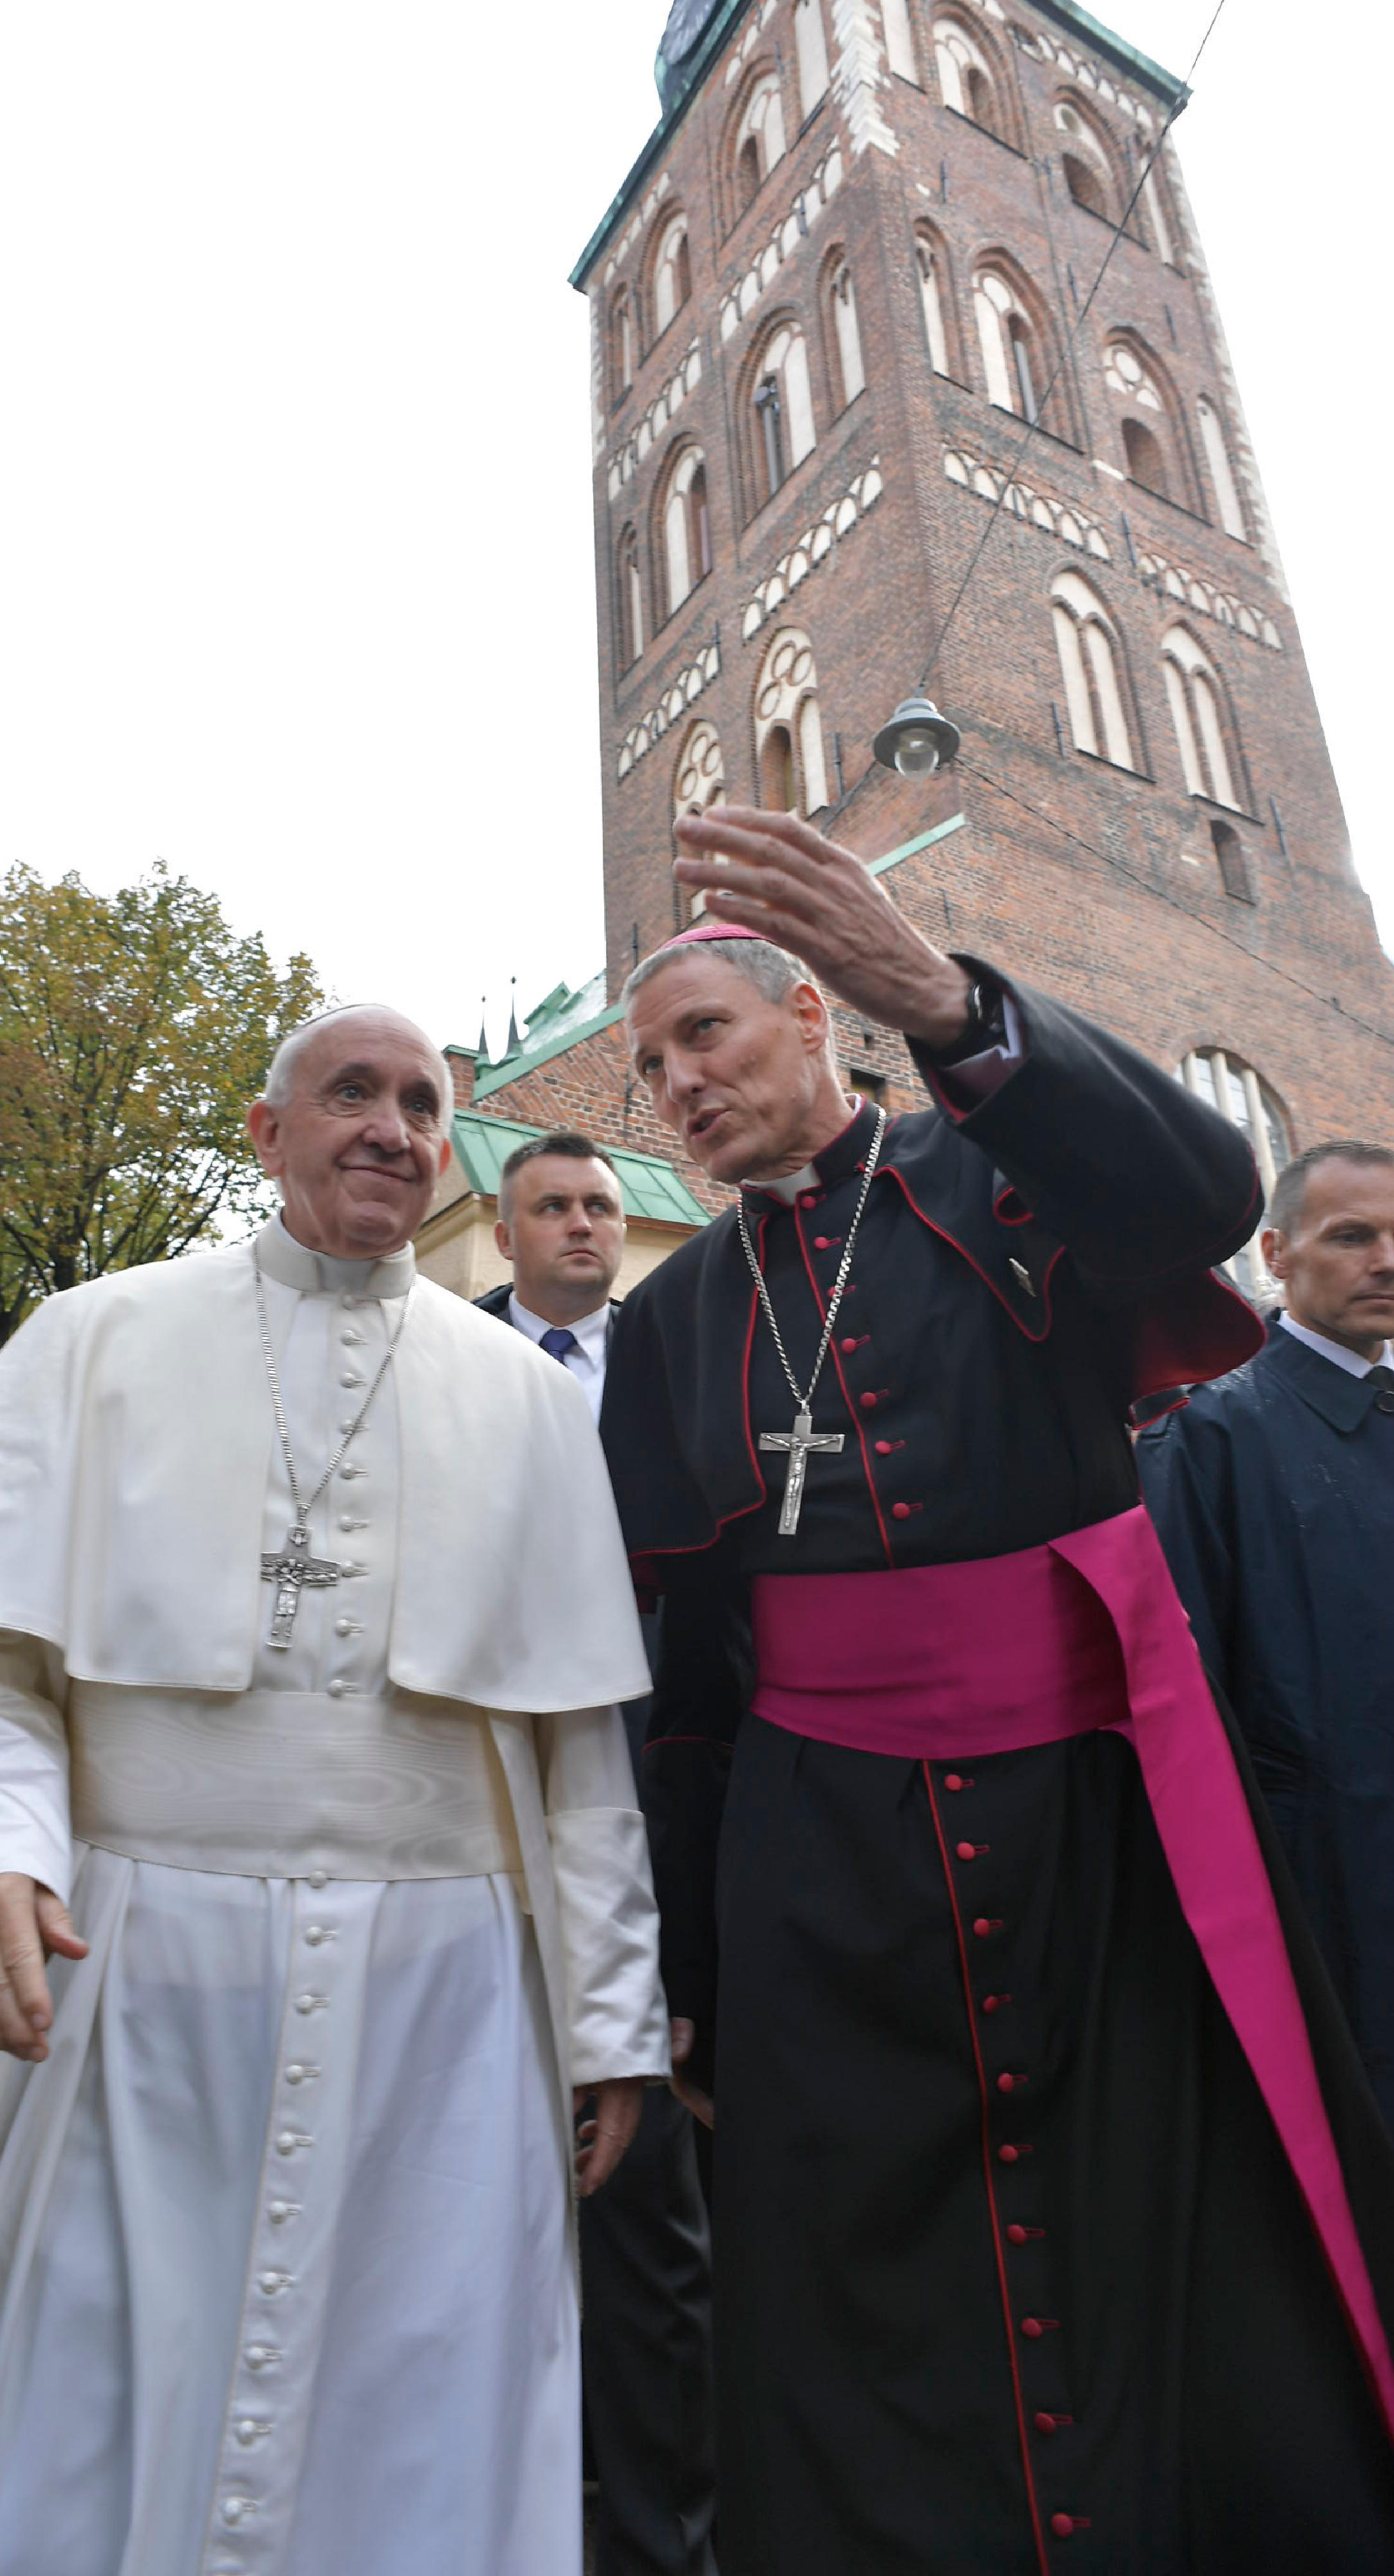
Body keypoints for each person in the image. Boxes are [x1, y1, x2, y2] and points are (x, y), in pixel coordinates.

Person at [0, 1006, 668, 2576]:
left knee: (408, 2402)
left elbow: (579, 1750)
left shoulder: (521, 1398)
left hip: (443, 2006)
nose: (389, 1127)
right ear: (265, 1131)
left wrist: (608, 2019)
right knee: (84, 2386)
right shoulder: (97, 1336)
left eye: (419, 1103)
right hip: (131, 1977)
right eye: (348, 1093)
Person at [598, 803, 1394, 2575]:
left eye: (704, 1034)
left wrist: (949, 1005)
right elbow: (684, 1674)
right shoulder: (670, 1319)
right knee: (864, 2274)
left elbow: (1201, 1196)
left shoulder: (1002, 1174)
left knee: (1145, 2218)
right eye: (651, 1068)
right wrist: (686, 1970)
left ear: (813, 1012)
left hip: (1092, 1818)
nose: (678, 1084)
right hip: (822, 1865)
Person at [477, 1131, 717, 2576]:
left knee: (648, 2209)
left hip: (653, 1782)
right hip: (481, 1798)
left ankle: (660, 2531)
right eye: (551, 1206)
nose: (580, 1225)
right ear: (502, 1231)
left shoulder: (681, 1364)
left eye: (599, 1208)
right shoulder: (441, 1364)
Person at [1140, 1141, 1394, 2125]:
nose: (1385, 1261)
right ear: (1277, 1255)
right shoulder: (1210, 1432)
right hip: (1323, 1895)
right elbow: (1179, 1703)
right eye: (1352, 1236)